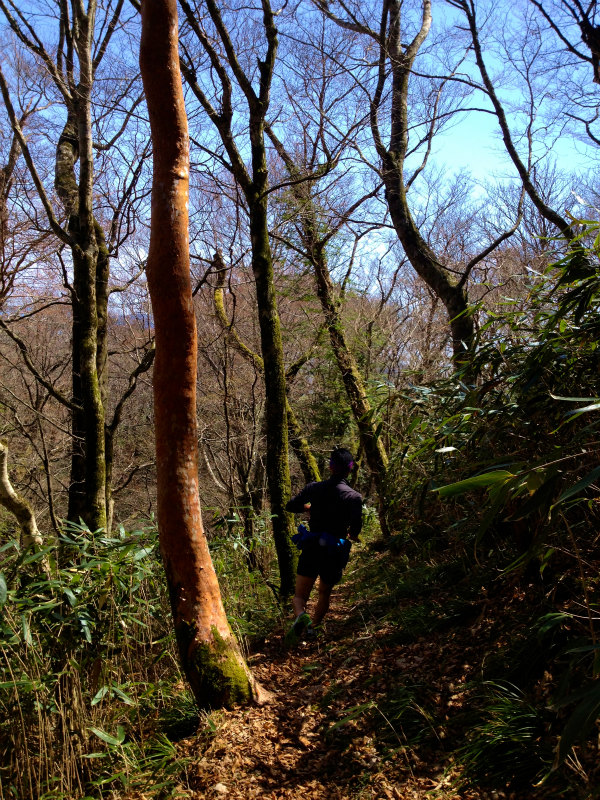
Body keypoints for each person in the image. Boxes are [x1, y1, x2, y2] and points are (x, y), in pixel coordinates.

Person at [284, 446, 363, 645]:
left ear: (330, 467)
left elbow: (290, 505)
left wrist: (307, 507)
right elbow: (355, 528)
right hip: (334, 549)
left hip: (312, 545)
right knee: (324, 593)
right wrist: (351, 535)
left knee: (300, 595)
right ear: (350, 469)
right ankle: (313, 628)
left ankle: (301, 615)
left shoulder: (314, 488)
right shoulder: (354, 497)